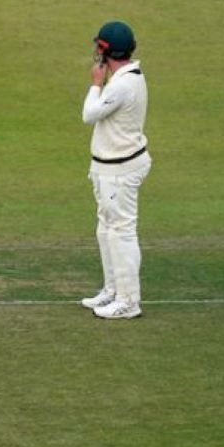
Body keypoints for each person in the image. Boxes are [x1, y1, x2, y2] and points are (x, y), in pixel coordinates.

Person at [80, 20, 151, 320]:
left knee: (120, 232)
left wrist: (96, 83)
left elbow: (89, 115)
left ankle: (128, 301)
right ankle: (113, 290)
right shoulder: (126, 77)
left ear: (105, 50)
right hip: (108, 167)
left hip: (119, 171)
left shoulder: (122, 84)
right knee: (106, 230)